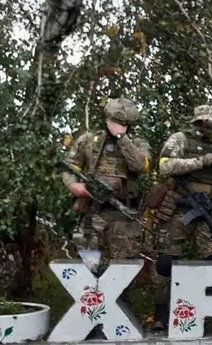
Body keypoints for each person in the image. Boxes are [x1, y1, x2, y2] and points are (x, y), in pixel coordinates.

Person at [150, 104, 212, 330]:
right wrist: (201, 162)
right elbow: (165, 166)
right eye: (204, 122)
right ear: (196, 121)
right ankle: (161, 316)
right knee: (165, 263)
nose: (208, 127)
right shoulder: (180, 140)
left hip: (205, 209)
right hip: (179, 206)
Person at [59, 97, 151, 271]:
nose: (115, 125)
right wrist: (73, 186)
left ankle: (121, 298)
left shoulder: (138, 144)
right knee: (89, 266)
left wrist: (122, 138)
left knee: (124, 268)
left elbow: (141, 165)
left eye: (121, 123)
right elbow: (69, 167)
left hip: (123, 215)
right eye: (114, 121)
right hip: (92, 212)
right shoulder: (88, 140)